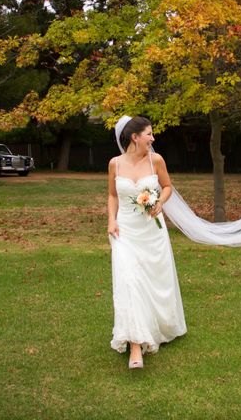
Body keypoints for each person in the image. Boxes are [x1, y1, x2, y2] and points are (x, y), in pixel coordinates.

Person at [107, 116, 187, 369]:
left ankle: (157, 326)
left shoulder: (156, 160)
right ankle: (135, 346)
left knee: (153, 281)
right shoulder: (115, 164)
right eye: (149, 134)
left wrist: (159, 202)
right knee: (129, 281)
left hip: (153, 232)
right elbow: (111, 195)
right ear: (135, 137)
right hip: (125, 231)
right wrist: (111, 220)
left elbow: (167, 186)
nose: (153, 138)